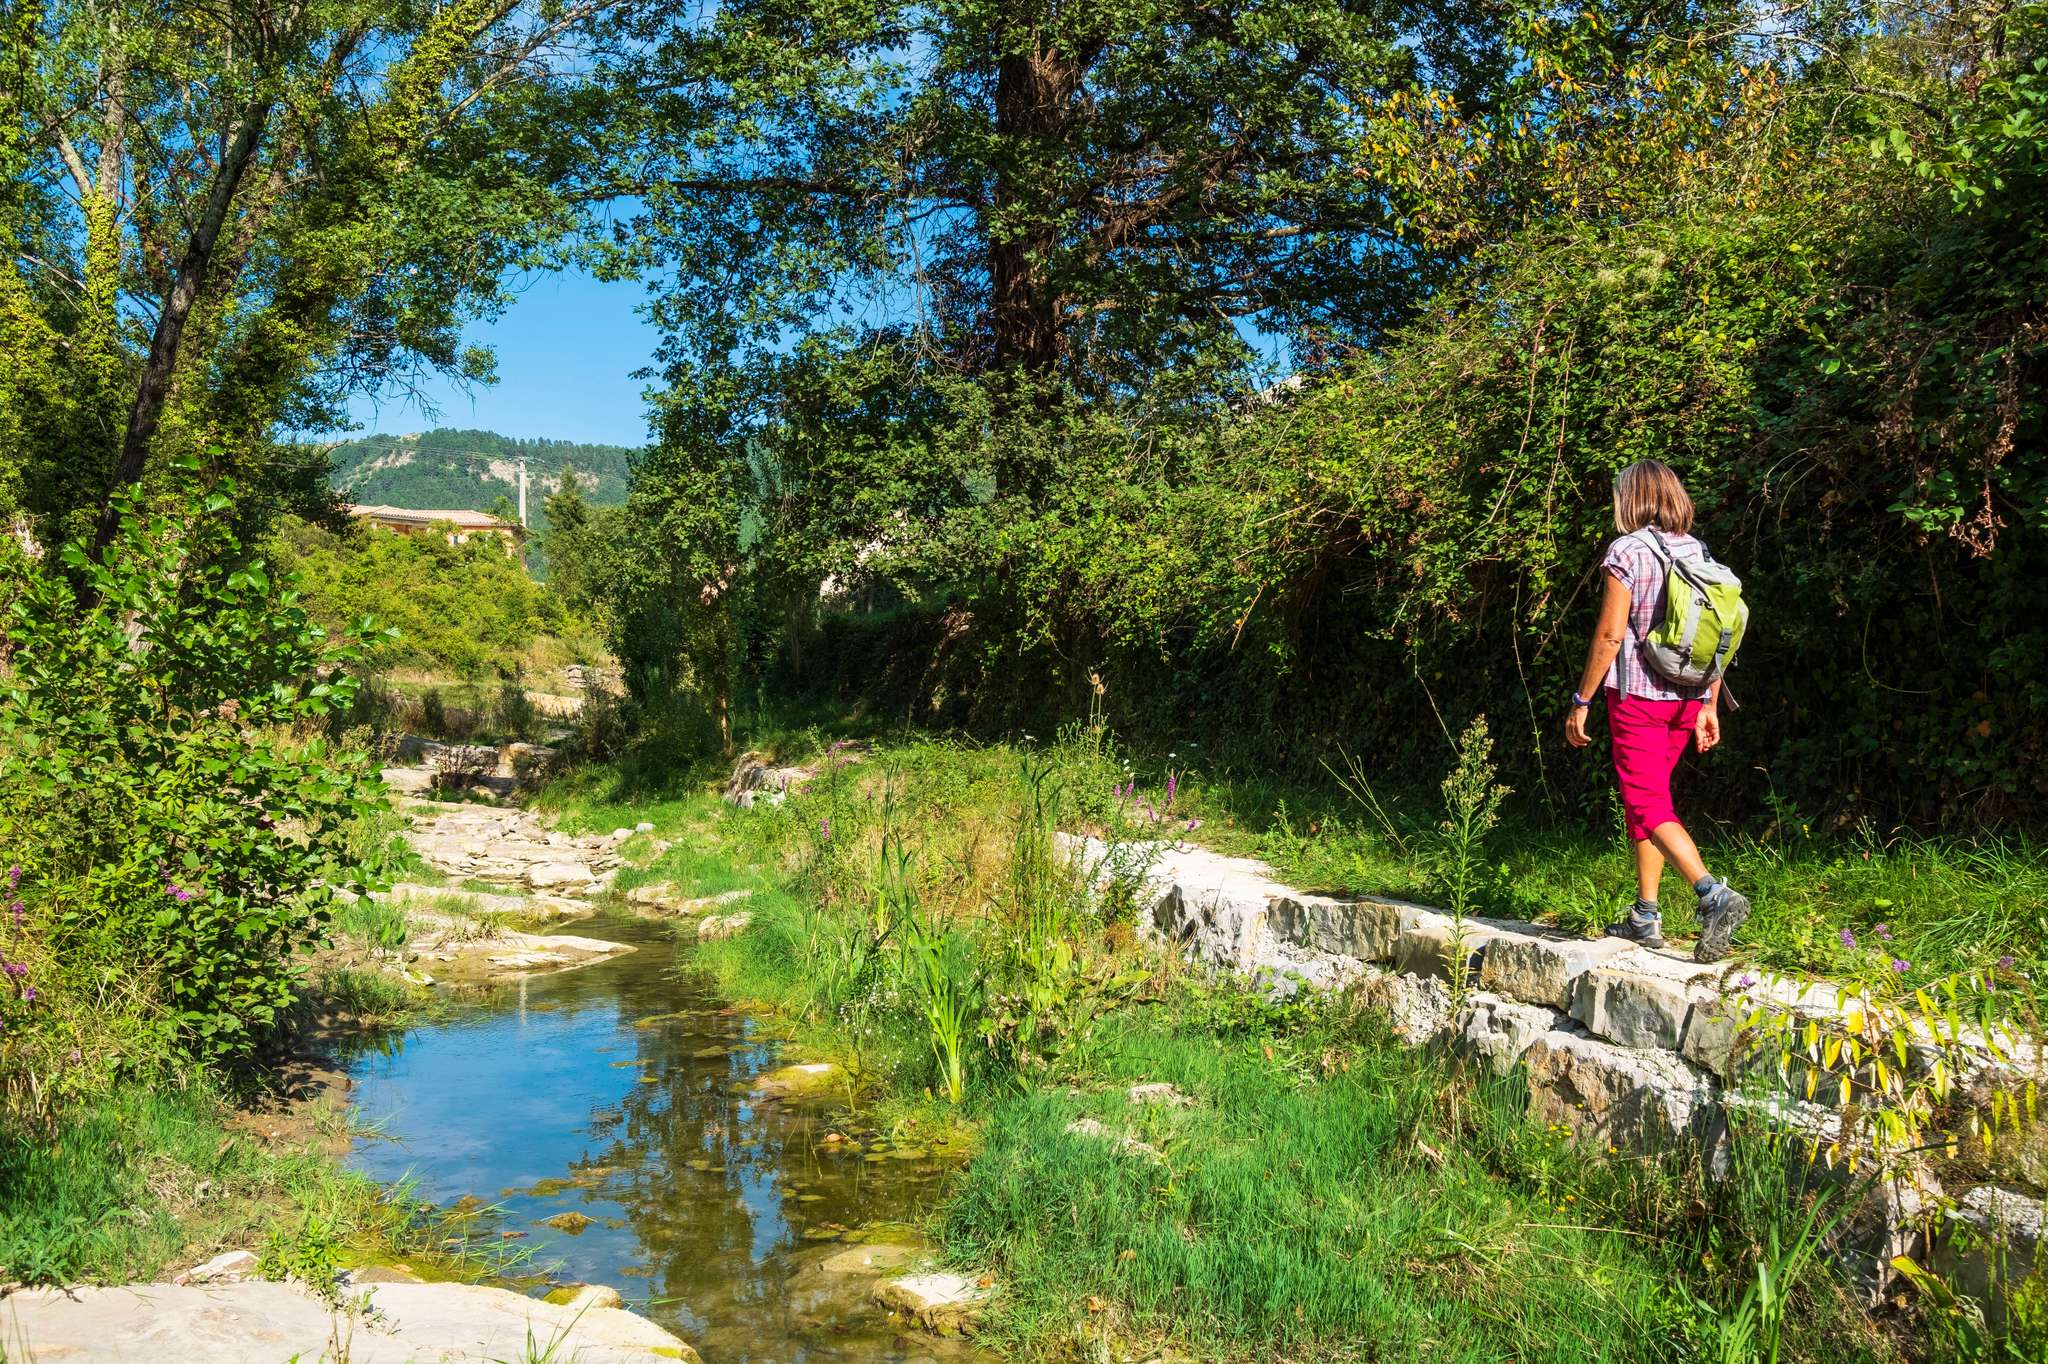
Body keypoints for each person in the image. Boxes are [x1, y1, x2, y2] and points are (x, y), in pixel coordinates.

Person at [1564, 459, 1750, 963]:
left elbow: (1609, 634)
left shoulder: (1627, 551)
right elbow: (1717, 639)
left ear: (1630, 498)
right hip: (1688, 696)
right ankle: (1646, 914)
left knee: (1647, 803)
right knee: (1650, 801)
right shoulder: (1697, 550)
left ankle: (1713, 894)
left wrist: (1582, 700)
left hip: (1638, 698)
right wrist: (1710, 704)